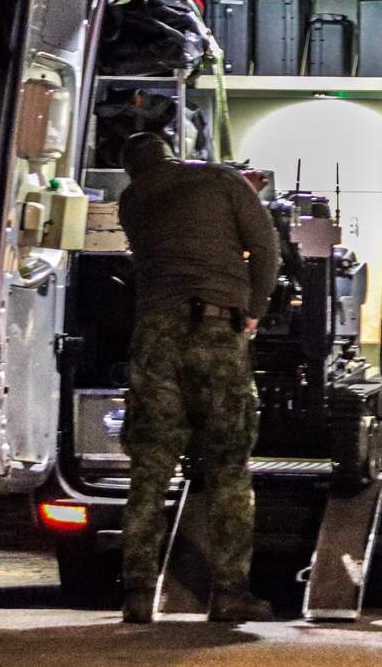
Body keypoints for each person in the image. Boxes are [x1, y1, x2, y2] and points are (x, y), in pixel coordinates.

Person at [116, 132, 281, 624]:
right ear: (172, 152)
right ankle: (230, 592)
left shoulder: (132, 199)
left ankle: (139, 594)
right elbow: (265, 247)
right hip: (215, 330)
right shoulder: (220, 179)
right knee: (228, 465)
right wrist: (254, 310)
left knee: (150, 468)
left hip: (155, 337)